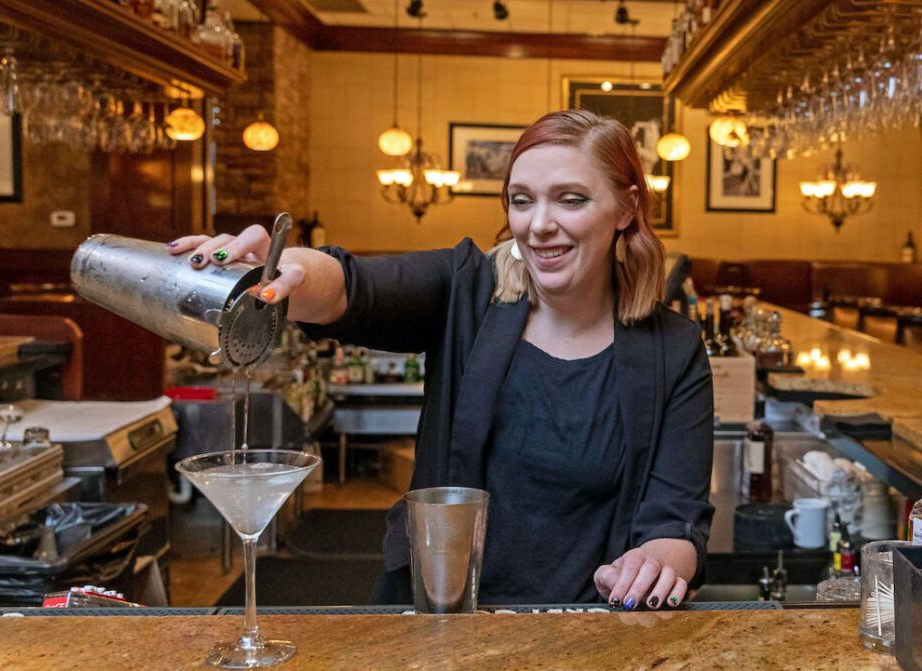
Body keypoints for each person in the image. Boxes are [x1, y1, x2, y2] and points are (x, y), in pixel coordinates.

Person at [168, 109, 714, 610]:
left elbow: (676, 519)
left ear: (626, 208)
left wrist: (660, 559)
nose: (539, 224)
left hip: (590, 630)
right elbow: (351, 289)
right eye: (522, 200)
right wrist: (281, 269)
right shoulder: (466, 289)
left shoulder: (672, 348)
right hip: (441, 619)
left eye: (570, 199)